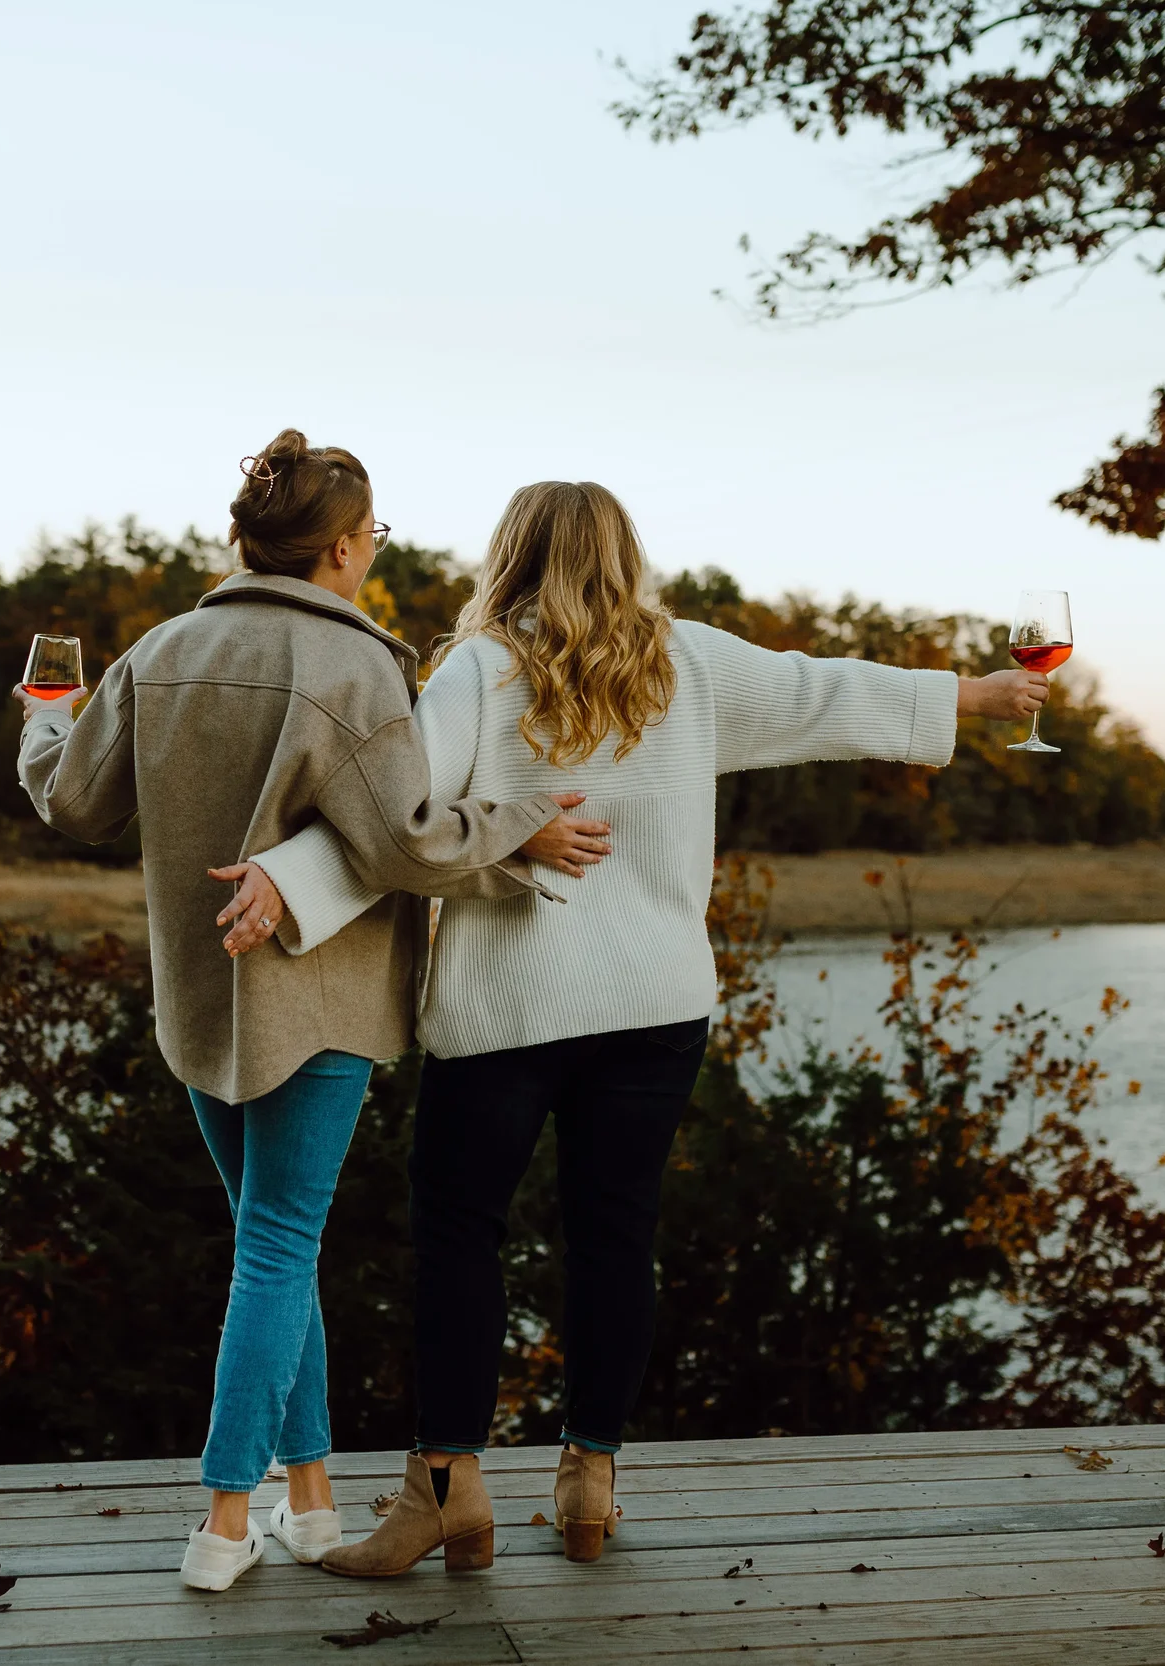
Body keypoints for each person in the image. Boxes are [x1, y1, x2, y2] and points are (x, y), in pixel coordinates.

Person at [217, 480, 1048, 1575]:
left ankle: (446, 1486)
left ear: (508, 556)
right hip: (656, 1007)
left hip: (509, 1008)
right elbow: (827, 695)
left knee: (461, 1233)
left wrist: (283, 882)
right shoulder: (686, 663)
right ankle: (588, 1474)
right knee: (617, 1233)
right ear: (624, 555)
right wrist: (979, 696)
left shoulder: (478, 668)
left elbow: (393, 818)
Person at [17, 433, 613, 1593]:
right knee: (279, 1248)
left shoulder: (162, 650)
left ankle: (309, 1496)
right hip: (322, 999)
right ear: (343, 548)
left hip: (197, 999)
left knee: (269, 1249)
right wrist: (516, 829)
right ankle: (226, 1519)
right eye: (372, 539)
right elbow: (405, 842)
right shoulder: (358, 671)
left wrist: (46, 713)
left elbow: (73, 797)